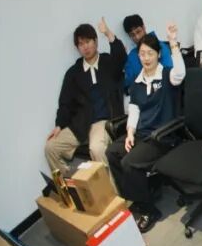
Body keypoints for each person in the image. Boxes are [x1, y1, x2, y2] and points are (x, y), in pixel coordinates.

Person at [105, 25, 185, 232]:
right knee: (112, 152)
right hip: (142, 134)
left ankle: (150, 210)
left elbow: (180, 73)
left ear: (158, 54)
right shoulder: (137, 82)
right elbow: (134, 110)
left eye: (150, 53)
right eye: (142, 54)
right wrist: (130, 133)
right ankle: (136, 197)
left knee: (129, 163)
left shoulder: (167, 75)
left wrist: (173, 43)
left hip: (162, 136)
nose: (146, 58)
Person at [46, 19, 126, 174]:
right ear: (77, 48)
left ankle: (109, 189)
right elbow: (65, 103)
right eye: (81, 44)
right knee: (51, 147)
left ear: (95, 41)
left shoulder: (108, 62)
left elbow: (121, 57)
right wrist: (59, 125)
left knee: (96, 148)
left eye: (88, 41)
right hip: (81, 124)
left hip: (103, 122)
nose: (85, 47)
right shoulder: (73, 73)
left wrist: (108, 33)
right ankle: (70, 184)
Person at [122, 14, 171, 84]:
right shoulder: (132, 56)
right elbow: (128, 82)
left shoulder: (160, 47)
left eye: (138, 31)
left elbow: (169, 74)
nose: (137, 37)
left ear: (144, 28)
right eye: (132, 35)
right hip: (139, 89)